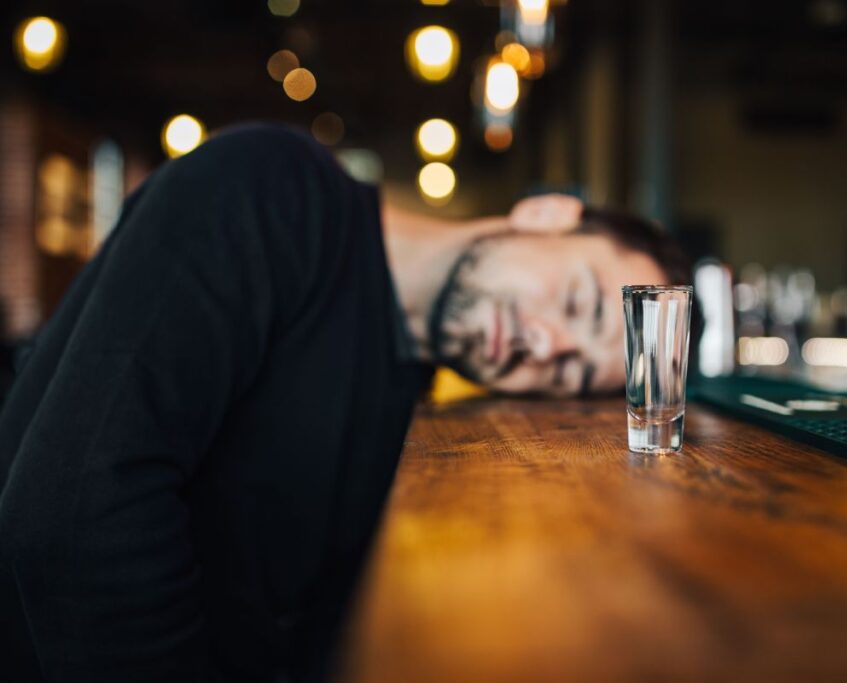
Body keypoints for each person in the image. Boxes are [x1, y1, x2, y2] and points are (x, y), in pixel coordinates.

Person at [0, 124, 690, 682]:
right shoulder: (272, 185)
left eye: (569, 373)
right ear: (547, 213)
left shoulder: (412, 386)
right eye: (578, 301)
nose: (541, 345)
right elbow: (70, 510)